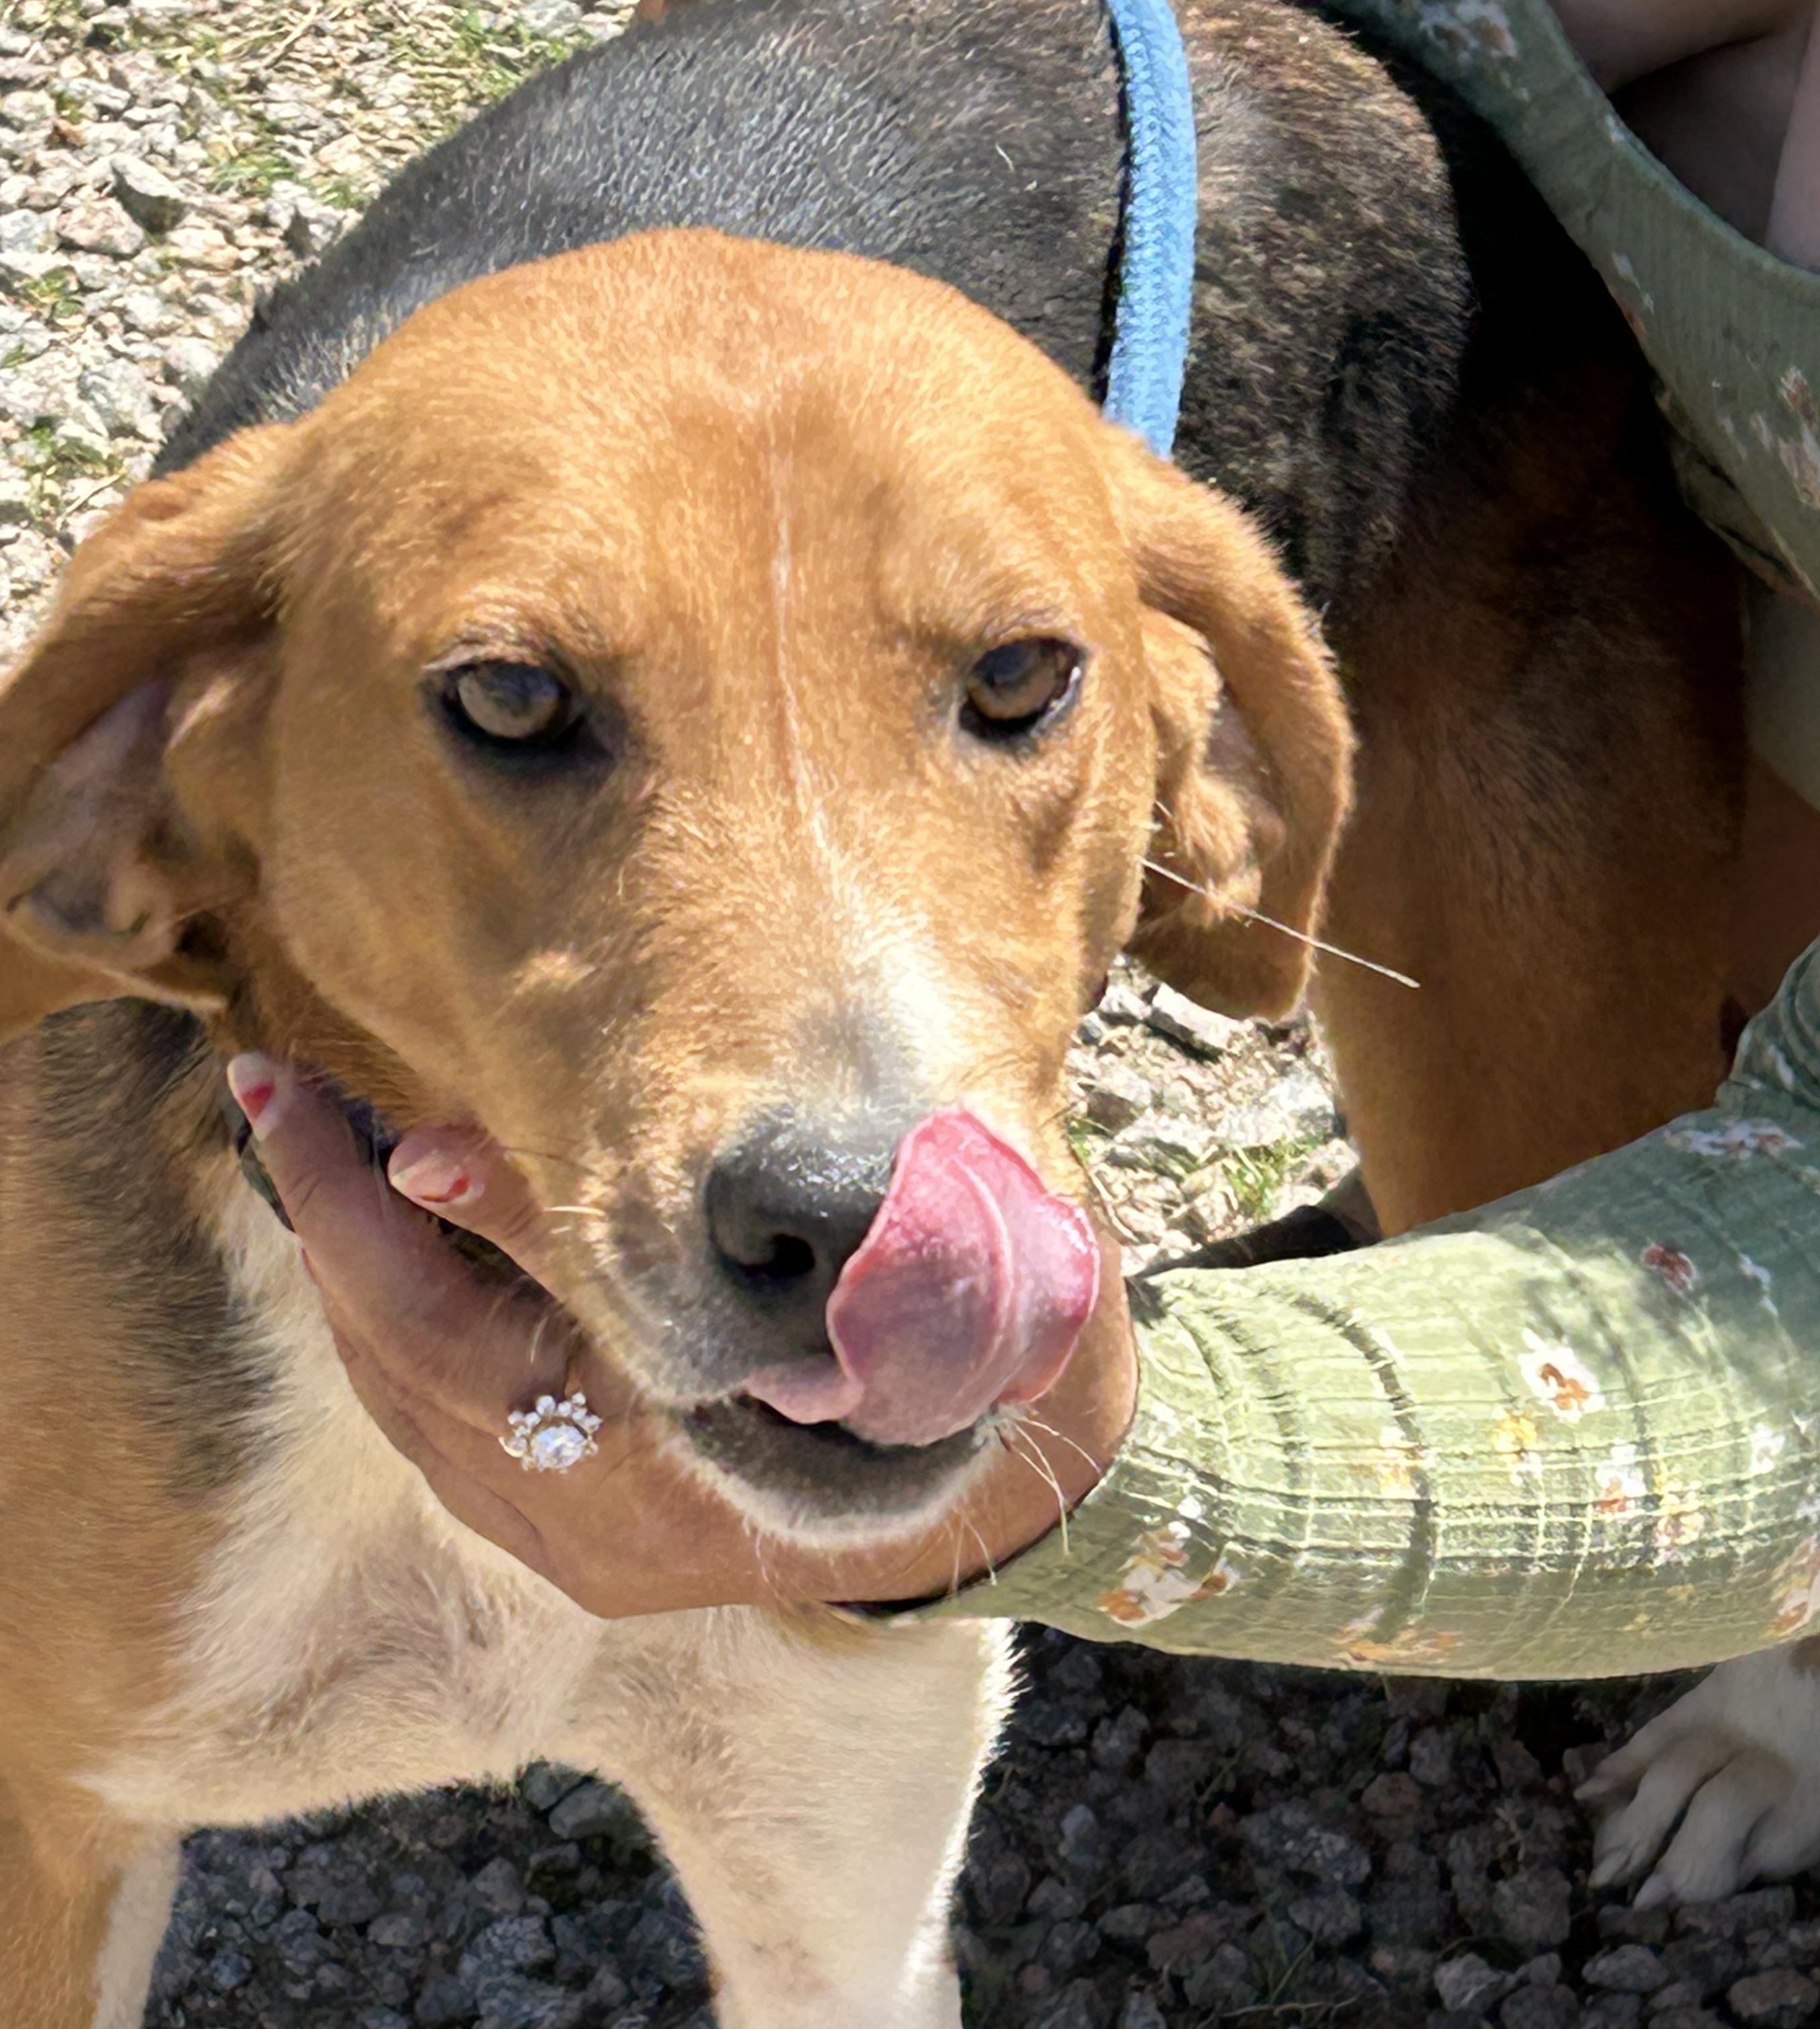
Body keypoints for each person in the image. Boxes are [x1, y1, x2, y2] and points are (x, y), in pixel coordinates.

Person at [225, 0, 1820, 1677]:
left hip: (1523, 399)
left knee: (1566, 1177)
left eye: (1012, 683)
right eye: (518, 712)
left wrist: (1132, 1486)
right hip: (1568, 228)